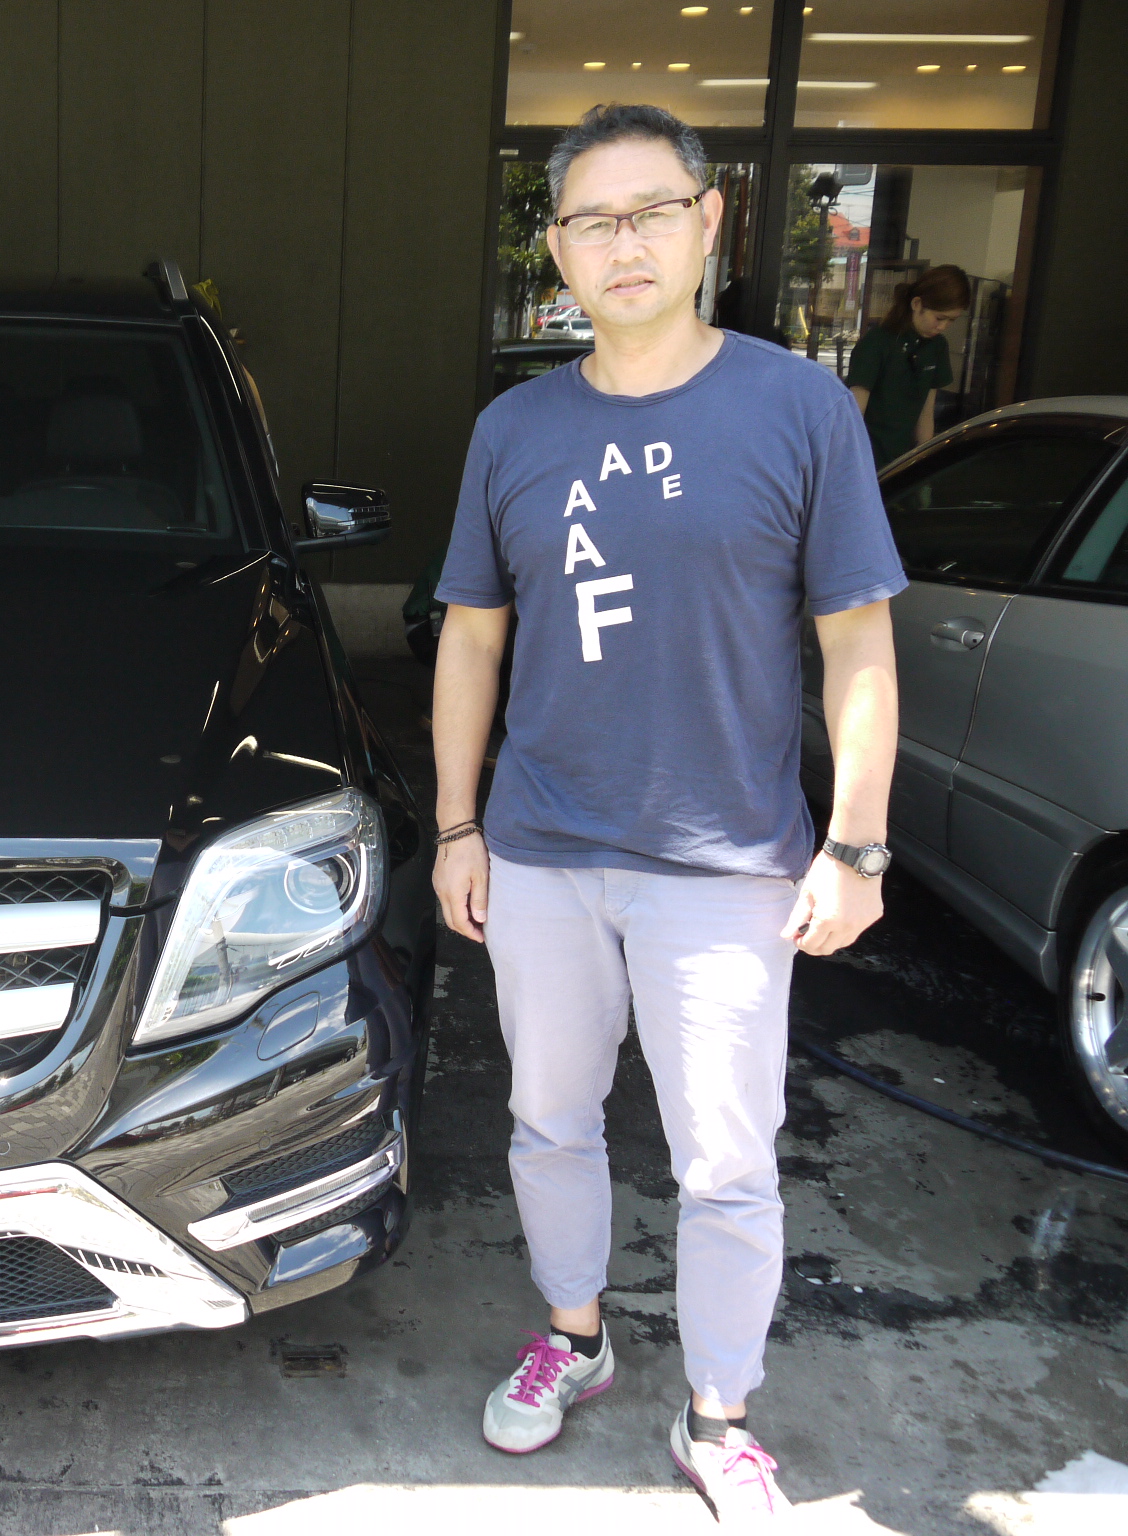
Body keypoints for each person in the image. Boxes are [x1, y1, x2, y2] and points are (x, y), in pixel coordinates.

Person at [431, 103, 903, 1522]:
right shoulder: (514, 428)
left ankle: (719, 1417)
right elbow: (470, 638)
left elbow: (857, 642)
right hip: (543, 849)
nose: (622, 243)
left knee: (727, 1161)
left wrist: (856, 843)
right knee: (547, 1121)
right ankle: (574, 1338)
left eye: (651, 212)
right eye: (592, 219)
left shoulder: (798, 409)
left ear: (709, 223)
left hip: (725, 860)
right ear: (557, 249)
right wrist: (455, 825)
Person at [846, 264, 972, 466]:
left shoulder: (937, 346)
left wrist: (924, 458)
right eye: (939, 318)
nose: (942, 327)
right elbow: (854, 412)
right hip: (868, 454)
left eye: (951, 320)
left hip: (903, 456)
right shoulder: (878, 342)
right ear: (917, 304)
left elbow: (926, 411)